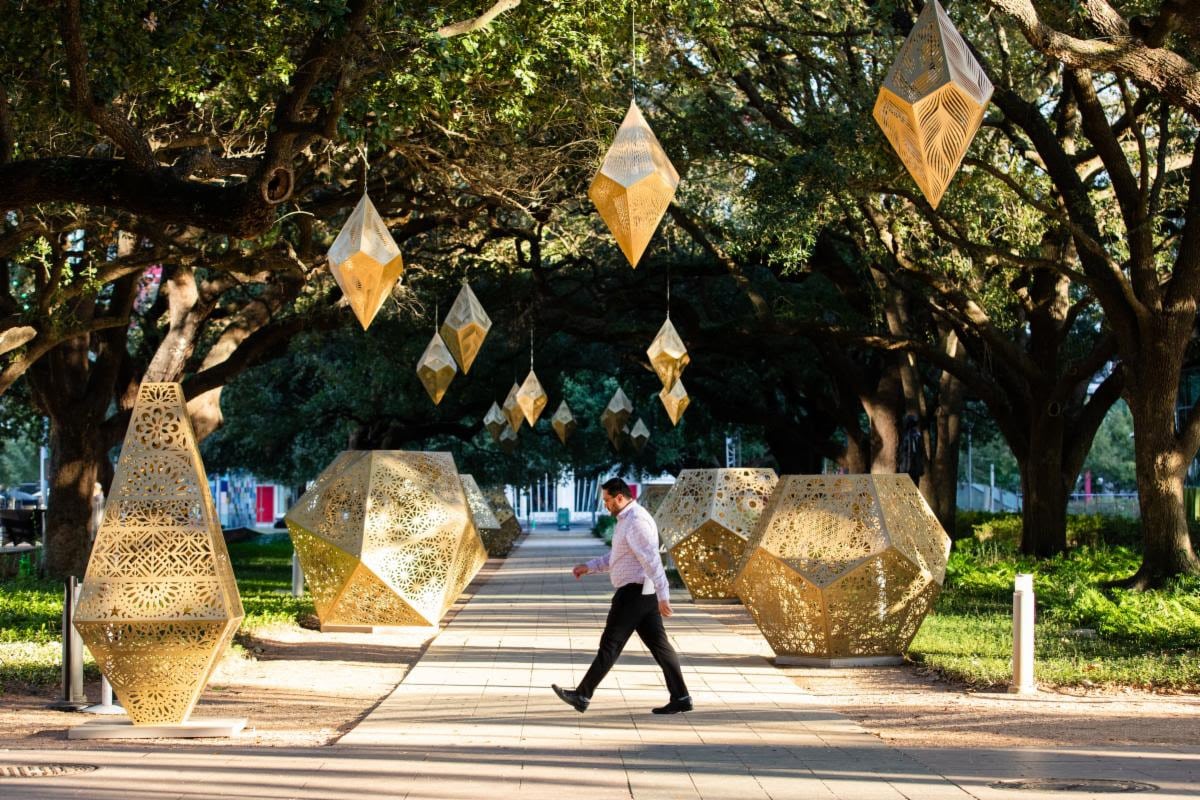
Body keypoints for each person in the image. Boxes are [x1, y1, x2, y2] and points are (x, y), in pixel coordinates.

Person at [552, 477, 692, 715]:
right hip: (641, 593)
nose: (605, 505)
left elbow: (652, 560)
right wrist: (589, 566)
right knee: (660, 646)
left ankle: (582, 695)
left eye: (607, 500)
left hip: (634, 593)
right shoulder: (626, 520)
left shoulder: (636, 521)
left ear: (619, 497)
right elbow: (618, 557)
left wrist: (663, 594)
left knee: (610, 644)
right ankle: (681, 697)